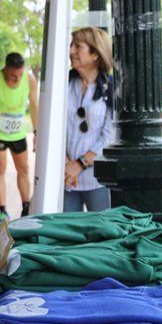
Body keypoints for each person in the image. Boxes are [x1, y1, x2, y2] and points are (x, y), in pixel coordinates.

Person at [0, 52, 39, 226]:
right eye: (13, 76)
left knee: (24, 168)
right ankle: (3, 211)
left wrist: (36, 132)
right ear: (5, 69)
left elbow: (34, 106)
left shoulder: (29, 79)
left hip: (18, 133)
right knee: (1, 168)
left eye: (20, 75)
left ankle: (26, 207)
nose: (17, 79)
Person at [64, 26, 114, 212]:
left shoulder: (110, 88)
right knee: (66, 234)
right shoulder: (64, 82)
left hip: (97, 179)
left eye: (78, 47)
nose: (71, 52)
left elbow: (109, 137)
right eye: (71, 46)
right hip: (66, 178)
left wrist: (79, 165)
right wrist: (65, 164)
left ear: (95, 54)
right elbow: (55, 127)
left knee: (101, 233)